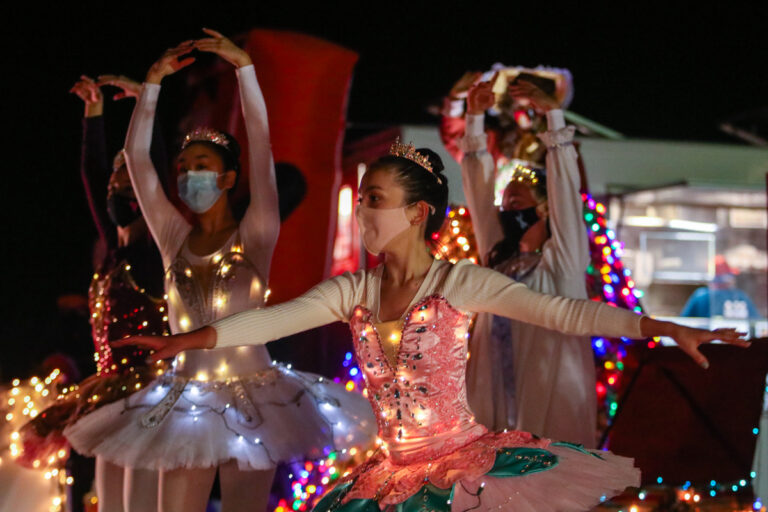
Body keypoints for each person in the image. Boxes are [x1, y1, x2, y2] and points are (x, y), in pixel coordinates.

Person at [115, 141, 748, 511]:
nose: (362, 211)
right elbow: (267, 320)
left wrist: (662, 326)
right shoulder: (355, 291)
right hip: (388, 475)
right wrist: (182, 341)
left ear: (417, 213)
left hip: (463, 473)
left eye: (375, 200)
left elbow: (567, 312)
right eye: (363, 198)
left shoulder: (458, 282)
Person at [64, 30, 375, 512]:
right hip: (184, 400)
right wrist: (152, 85)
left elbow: (261, 145)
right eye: (184, 167)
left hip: (257, 399)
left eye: (202, 165)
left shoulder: (257, 231)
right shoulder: (172, 237)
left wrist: (245, 71)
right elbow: (139, 163)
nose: (190, 175)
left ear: (227, 177)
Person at [19, 74, 169, 512]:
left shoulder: (154, 252)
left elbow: (155, 168)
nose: (115, 192)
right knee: (109, 503)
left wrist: (146, 103)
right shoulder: (113, 252)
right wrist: (94, 113)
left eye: (127, 187)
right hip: (107, 393)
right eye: (112, 188)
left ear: (146, 194)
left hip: (149, 394)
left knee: (138, 503)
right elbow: (91, 174)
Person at [457, 76, 599, 448]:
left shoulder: (562, 264)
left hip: (550, 416)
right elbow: (478, 192)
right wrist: (474, 118)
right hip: (493, 414)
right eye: (504, 205)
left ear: (545, 209)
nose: (507, 211)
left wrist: (553, 115)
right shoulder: (497, 263)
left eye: (517, 203)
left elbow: (566, 192)